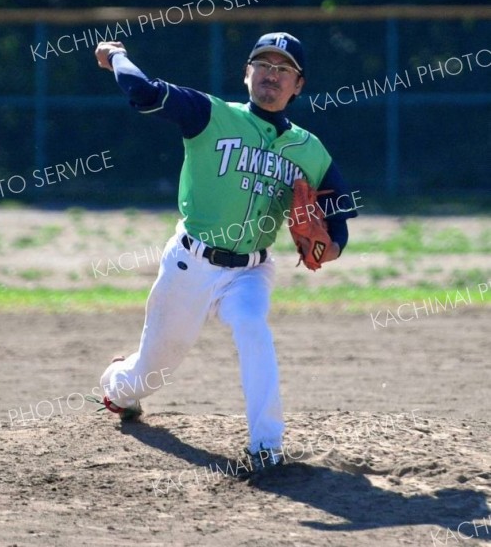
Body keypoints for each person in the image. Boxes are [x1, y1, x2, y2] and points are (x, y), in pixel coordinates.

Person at [94, 32, 358, 474]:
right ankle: (117, 385)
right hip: (190, 264)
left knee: (253, 327)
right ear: (247, 73)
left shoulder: (311, 152)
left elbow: (339, 222)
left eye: (283, 69)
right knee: (151, 372)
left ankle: (266, 445)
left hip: (251, 271)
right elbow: (144, 92)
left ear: (299, 85)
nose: (271, 75)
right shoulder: (210, 114)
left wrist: (330, 248)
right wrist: (117, 55)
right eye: (263, 65)